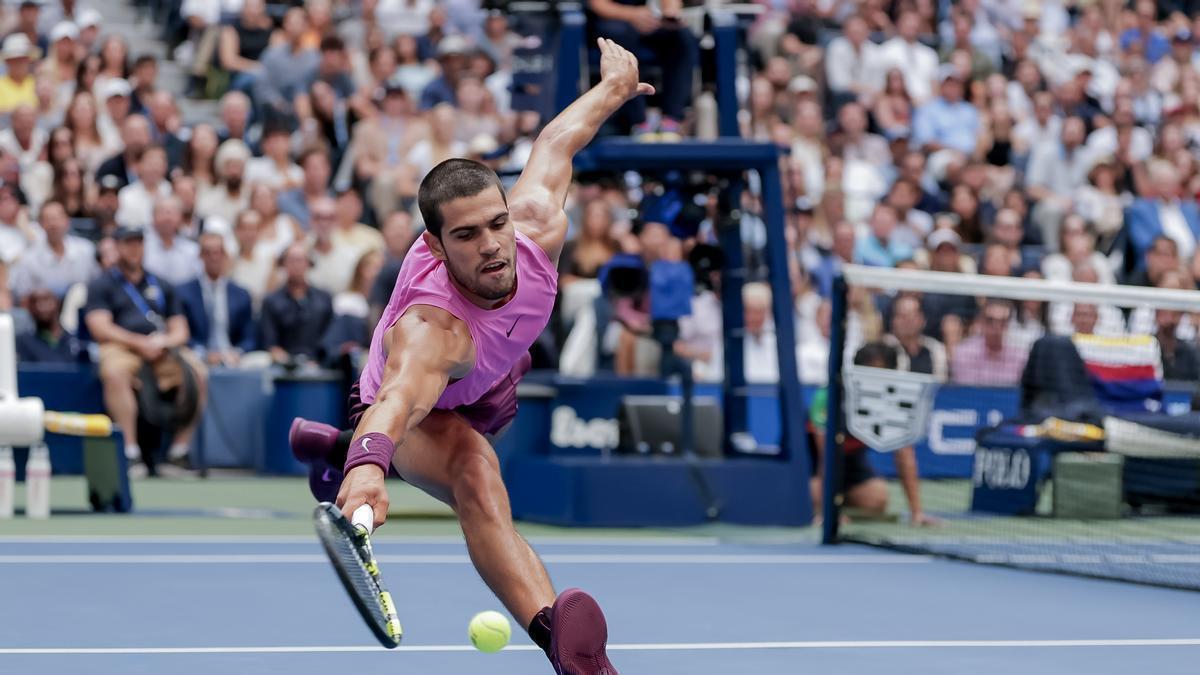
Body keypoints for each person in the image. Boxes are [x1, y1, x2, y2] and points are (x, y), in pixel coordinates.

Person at [288, 39, 654, 675]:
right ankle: (570, 654)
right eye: (464, 235)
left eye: (495, 224)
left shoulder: (536, 225)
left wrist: (614, 87)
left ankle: (334, 449)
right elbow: (400, 397)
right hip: (411, 402)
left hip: (493, 380)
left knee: (492, 417)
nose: (490, 246)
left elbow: (557, 141)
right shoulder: (433, 329)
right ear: (434, 242)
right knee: (476, 476)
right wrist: (370, 467)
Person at [83, 226, 208, 470]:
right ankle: (131, 452)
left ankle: (178, 452)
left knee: (199, 374)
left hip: (160, 346)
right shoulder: (102, 284)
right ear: (117, 247)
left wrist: (164, 342)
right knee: (114, 373)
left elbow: (180, 329)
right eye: (128, 243)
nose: (134, 248)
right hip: (122, 346)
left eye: (138, 243)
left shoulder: (161, 283)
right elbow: (100, 327)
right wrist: (138, 342)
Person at [808, 342, 937, 527]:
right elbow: (825, 457)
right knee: (810, 496)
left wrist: (916, 512)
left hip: (852, 464)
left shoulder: (892, 400)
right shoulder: (828, 396)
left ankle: (842, 500)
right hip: (813, 463)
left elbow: (904, 454)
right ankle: (830, 503)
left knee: (877, 500)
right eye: (870, 374)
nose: (876, 382)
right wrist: (825, 512)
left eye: (882, 375)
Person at [177, 233, 257, 367]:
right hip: (198, 357)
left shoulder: (241, 294)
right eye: (208, 253)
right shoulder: (184, 293)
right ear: (200, 256)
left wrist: (237, 352)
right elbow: (183, 334)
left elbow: (249, 336)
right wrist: (204, 354)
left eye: (218, 252)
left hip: (234, 356)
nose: (214, 258)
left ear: (225, 256)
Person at [260, 241, 334, 364]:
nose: (296, 265)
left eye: (300, 260)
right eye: (291, 260)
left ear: (308, 263)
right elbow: (269, 341)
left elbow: (330, 337)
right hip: (284, 367)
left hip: (319, 364)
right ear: (283, 264)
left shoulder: (324, 299)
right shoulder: (271, 301)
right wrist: (285, 359)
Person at [950, 299, 1027, 385]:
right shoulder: (964, 352)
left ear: (1008, 325)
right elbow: (966, 390)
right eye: (990, 321)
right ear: (981, 322)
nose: (996, 327)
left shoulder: (1020, 357)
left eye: (1002, 322)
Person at [16, 287, 80, 362]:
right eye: (34, 302)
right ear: (29, 308)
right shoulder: (22, 342)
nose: (40, 307)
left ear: (57, 303)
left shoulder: (74, 342)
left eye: (46, 300)